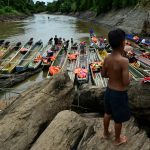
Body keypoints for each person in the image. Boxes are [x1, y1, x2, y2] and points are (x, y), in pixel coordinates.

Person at [101, 28, 131, 145]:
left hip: (109, 91)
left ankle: (106, 133)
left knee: (107, 113)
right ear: (123, 43)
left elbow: (103, 74)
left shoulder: (107, 57)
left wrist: (113, 76)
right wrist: (129, 78)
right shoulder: (124, 61)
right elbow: (125, 82)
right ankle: (117, 139)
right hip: (119, 94)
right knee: (118, 119)